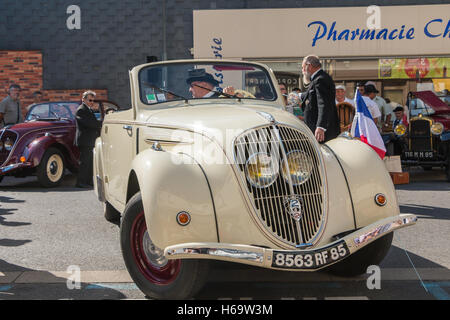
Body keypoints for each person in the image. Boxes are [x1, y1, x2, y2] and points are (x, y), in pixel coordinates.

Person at [300, 55, 339, 143]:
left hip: (322, 132)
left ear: (308, 66)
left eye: (303, 67)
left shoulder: (320, 79)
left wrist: (321, 127)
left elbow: (324, 104)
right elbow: (314, 95)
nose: (302, 71)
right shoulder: (318, 78)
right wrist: (300, 96)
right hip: (316, 129)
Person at [74, 91, 102, 188]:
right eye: (90, 100)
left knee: (90, 162)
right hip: (85, 140)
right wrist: (101, 124)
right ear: (83, 99)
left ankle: (88, 181)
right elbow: (89, 124)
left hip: (90, 140)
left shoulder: (88, 109)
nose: (92, 102)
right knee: (84, 162)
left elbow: (93, 122)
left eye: (93, 100)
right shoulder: (81, 110)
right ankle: (80, 182)